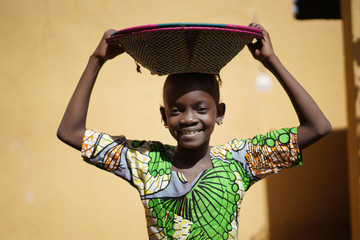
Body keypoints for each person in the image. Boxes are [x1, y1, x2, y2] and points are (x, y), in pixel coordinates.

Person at [57, 23, 331, 239]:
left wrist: (272, 63)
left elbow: (317, 127)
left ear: (219, 113)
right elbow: (70, 132)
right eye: (176, 110)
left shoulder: (240, 160)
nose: (188, 119)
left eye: (201, 109)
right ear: (164, 116)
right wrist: (96, 60)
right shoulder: (144, 161)